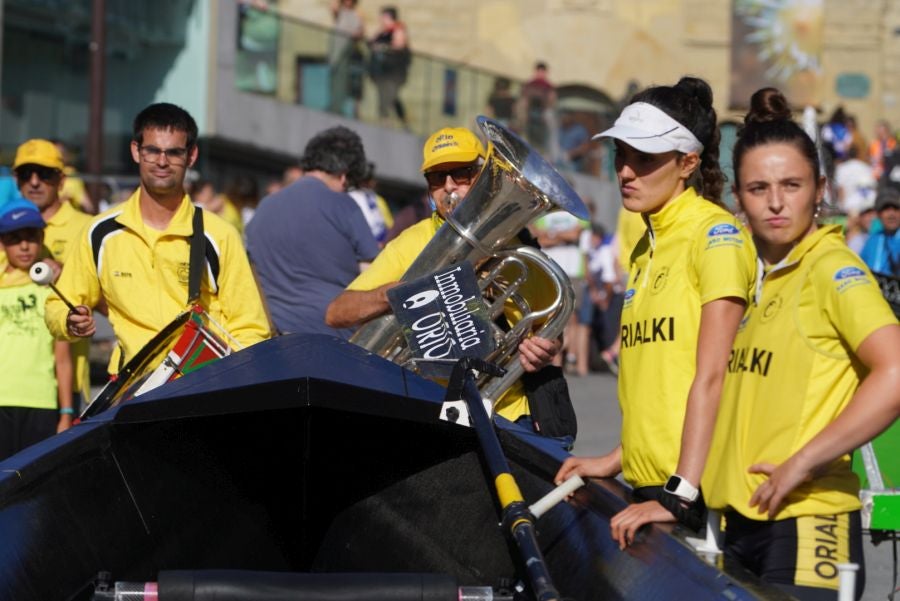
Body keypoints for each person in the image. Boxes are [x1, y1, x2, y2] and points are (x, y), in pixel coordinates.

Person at [703, 88, 900, 600]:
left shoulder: (832, 268)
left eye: (791, 185)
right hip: (739, 522)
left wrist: (804, 461)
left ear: (820, 190)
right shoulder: (756, 276)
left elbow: (896, 371)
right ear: (737, 199)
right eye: (757, 187)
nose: (774, 202)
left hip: (811, 520)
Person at [554, 77, 756, 548]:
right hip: (653, 486)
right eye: (620, 155)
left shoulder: (715, 236)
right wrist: (616, 458)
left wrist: (680, 494)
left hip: (692, 495)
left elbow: (715, 378)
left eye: (644, 159)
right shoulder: (647, 244)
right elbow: (662, 380)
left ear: (687, 162)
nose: (625, 171)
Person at [325, 126, 575, 441]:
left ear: (485, 174)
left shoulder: (521, 248)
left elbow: (553, 334)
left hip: (508, 412)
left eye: (462, 173)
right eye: (436, 178)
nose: (449, 187)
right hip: (428, 407)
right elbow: (336, 313)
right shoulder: (411, 242)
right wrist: (394, 294)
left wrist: (545, 350)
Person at [45, 103, 270, 376]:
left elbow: (251, 328)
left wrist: (228, 384)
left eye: (174, 152)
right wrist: (69, 320)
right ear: (135, 151)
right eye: (152, 150)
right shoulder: (101, 232)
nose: (162, 162)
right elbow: (59, 303)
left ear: (191, 156)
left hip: (202, 386)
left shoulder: (219, 234)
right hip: (132, 389)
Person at [246, 126, 380, 339]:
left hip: (273, 335)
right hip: (333, 337)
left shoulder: (265, 205)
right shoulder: (345, 206)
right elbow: (373, 276)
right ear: (345, 176)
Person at [12, 139, 93, 408]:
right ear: (16, 180)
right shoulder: (4, 225)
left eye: (44, 174)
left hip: (65, 385)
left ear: (61, 179)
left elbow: (109, 300)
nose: (34, 182)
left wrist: (66, 276)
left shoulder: (88, 228)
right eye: (26, 174)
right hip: (10, 383)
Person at [0, 200, 73, 461]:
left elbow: (62, 359)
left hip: (41, 402)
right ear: (2, 242)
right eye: (14, 238)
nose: (23, 245)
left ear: (42, 238)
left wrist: (66, 412)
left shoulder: (52, 288)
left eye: (31, 237)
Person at [368, 6, 410, 128]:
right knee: (386, 96)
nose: (380, 19)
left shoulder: (398, 29)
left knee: (391, 96)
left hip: (395, 72)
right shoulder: (383, 31)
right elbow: (371, 42)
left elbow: (399, 45)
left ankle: (395, 121)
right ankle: (388, 120)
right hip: (383, 71)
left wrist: (382, 47)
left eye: (383, 17)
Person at [328, 0, 365, 117]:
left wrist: (355, 34)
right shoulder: (341, 12)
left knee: (342, 79)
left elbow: (361, 32)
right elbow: (333, 7)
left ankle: (340, 107)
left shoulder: (357, 15)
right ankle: (335, 105)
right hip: (336, 50)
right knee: (335, 78)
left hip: (347, 51)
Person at [348, 162, 393, 247]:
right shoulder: (376, 199)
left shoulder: (346, 197)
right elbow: (391, 228)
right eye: (372, 178)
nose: (375, 182)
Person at [860, 187, 900, 276]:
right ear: (878, 214)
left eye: (896, 208)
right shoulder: (873, 240)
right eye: (886, 209)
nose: (891, 214)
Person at [518, 62, 556, 153]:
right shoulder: (530, 84)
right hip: (531, 112)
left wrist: (547, 108)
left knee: (549, 131)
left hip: (542, 112)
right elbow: (525, 99)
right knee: (526, 133)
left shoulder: (548, 85)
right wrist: (523, 113)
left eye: (542, 71)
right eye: (539, 71)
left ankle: (548, 151)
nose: (540, 73)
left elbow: (551, 99)